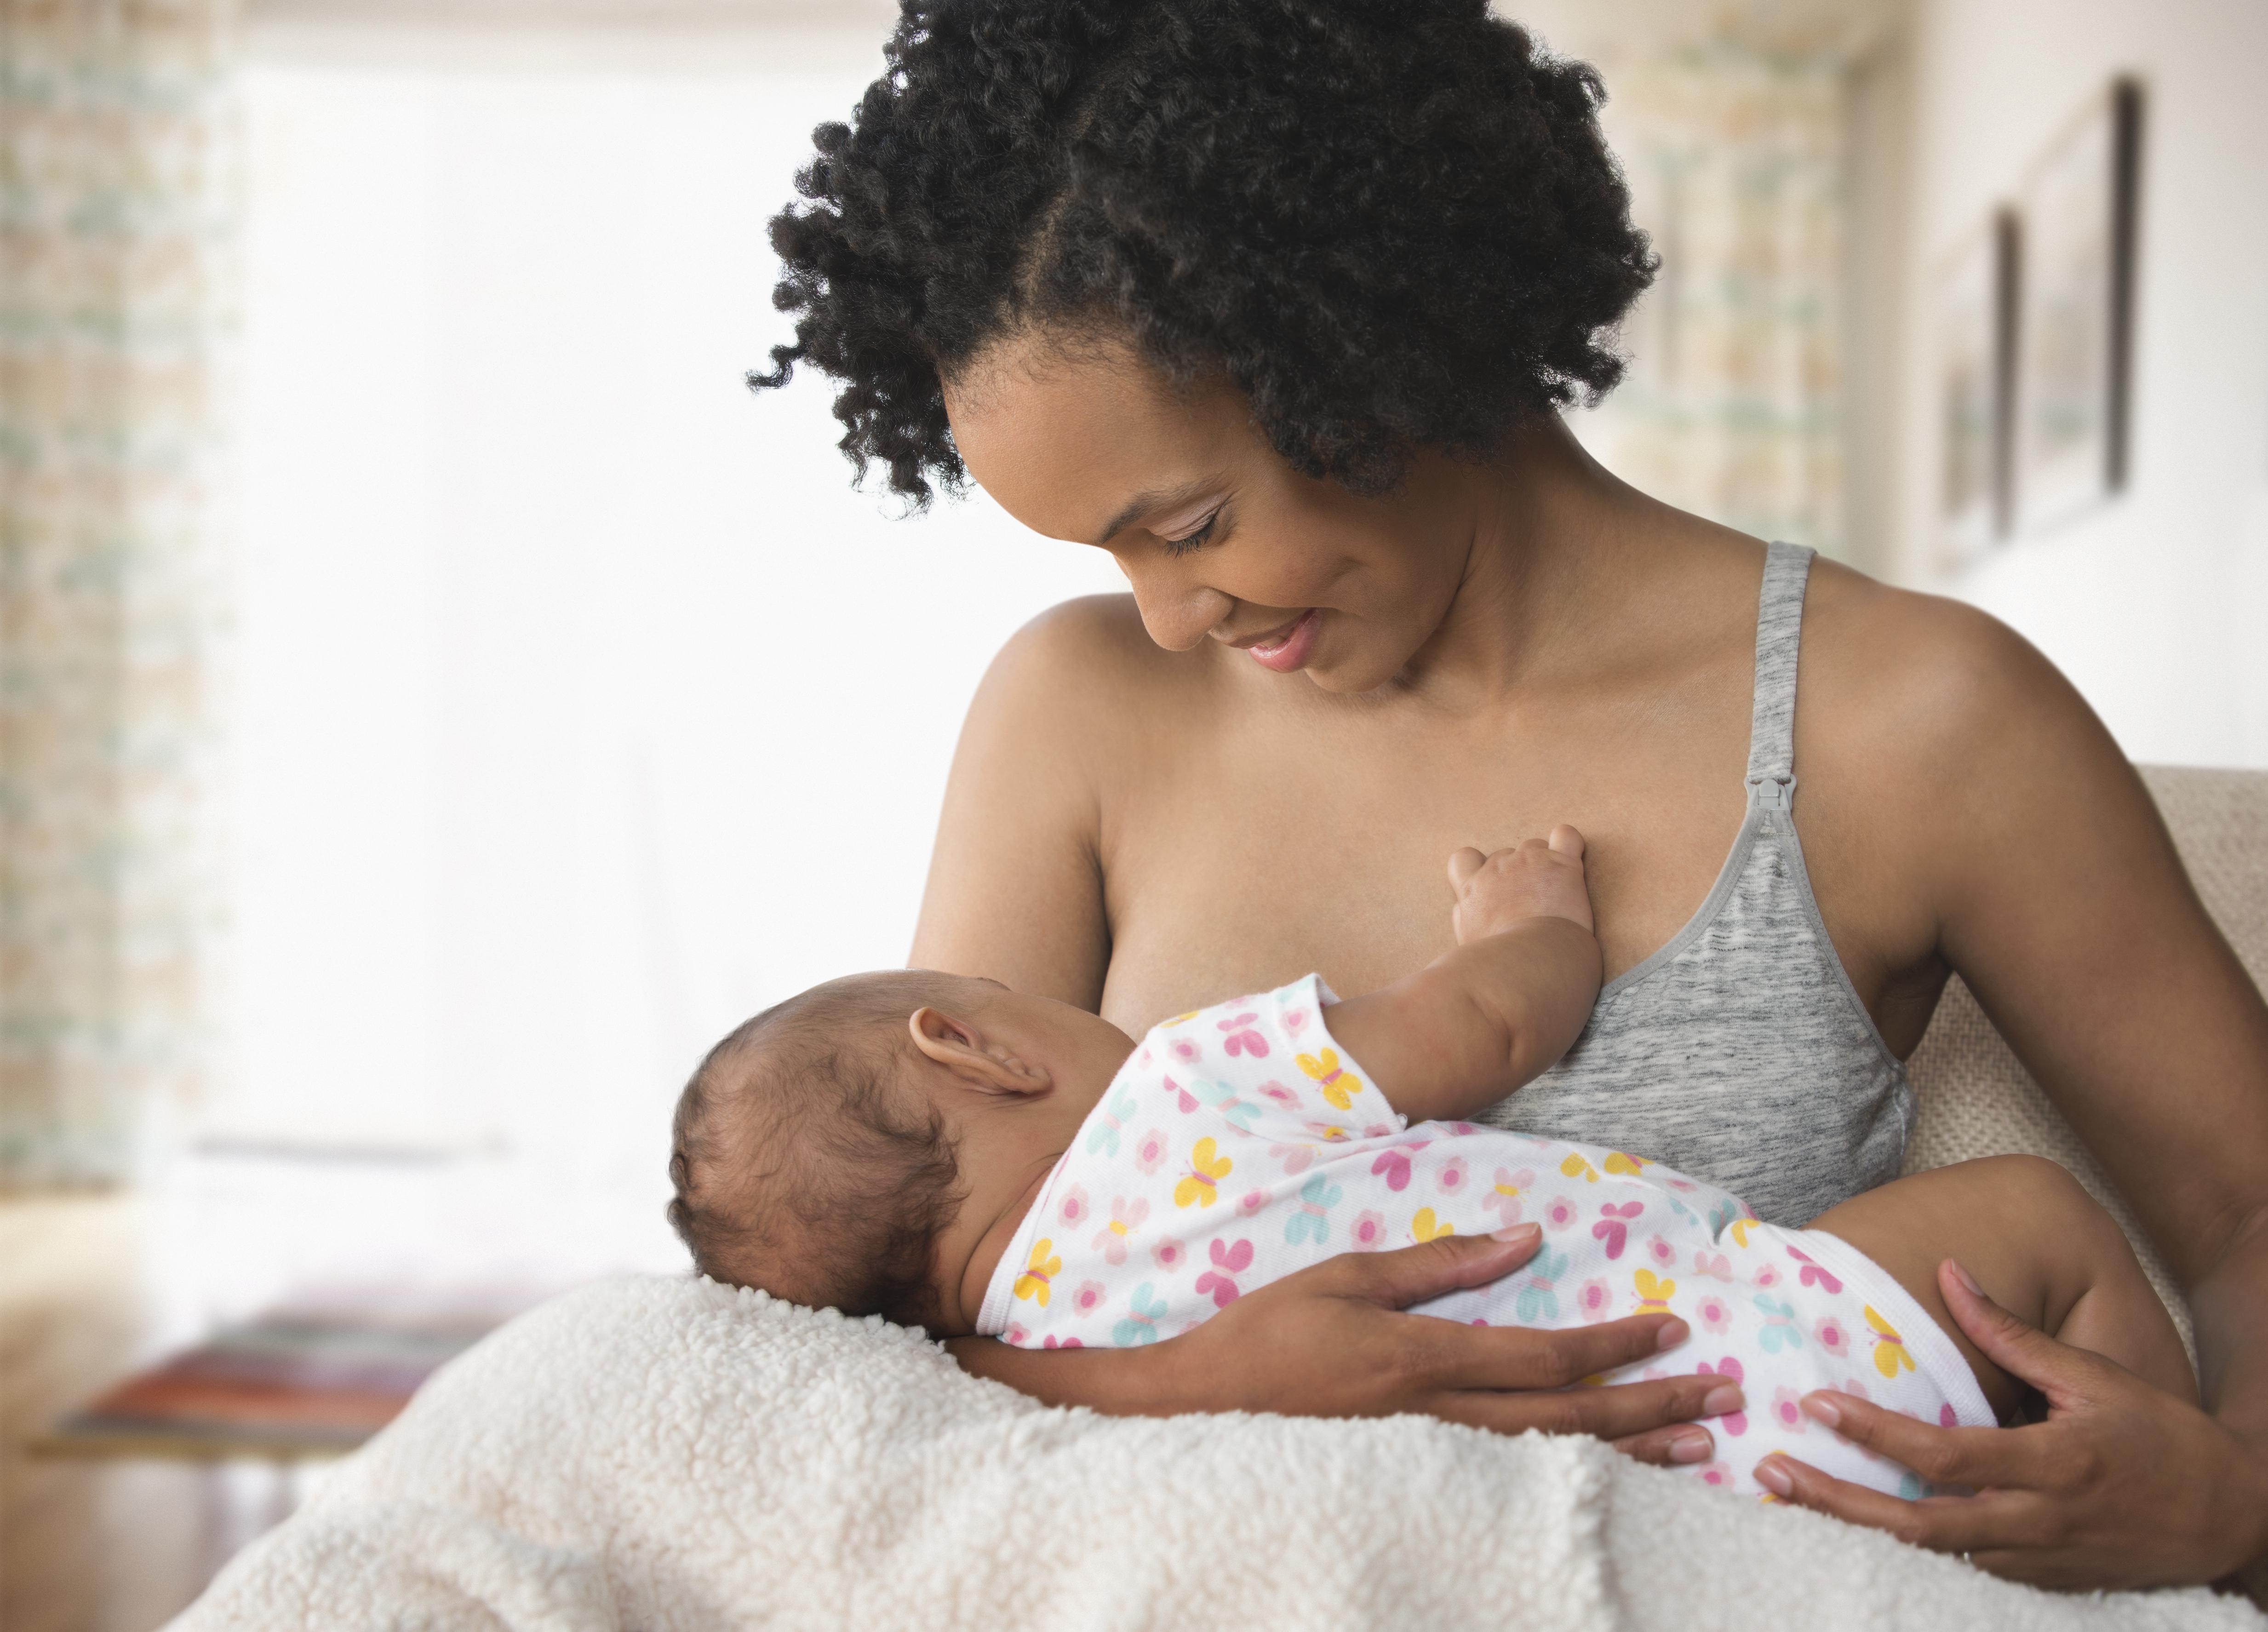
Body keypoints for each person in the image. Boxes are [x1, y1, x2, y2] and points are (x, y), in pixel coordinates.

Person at [748, 0, 2268, 1592]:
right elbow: (883, 1312)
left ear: (1366, 347)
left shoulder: (1911, 721)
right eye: (1105, 554)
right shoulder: (1081, 711)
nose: (1164, 614)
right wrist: (1163, 1386)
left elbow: (2243, 1203)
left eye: (1189, 525)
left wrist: (2236, 1501)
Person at [666, 830, 2194, 1501]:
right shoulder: (1186, 1083)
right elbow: (1484, 1024)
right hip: (1761, 1350)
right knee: (2036, 1218)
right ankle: (2119, 1485)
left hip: (1671, 1492)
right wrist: (1526, 920)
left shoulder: (1024, 1362)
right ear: (974, 1049)